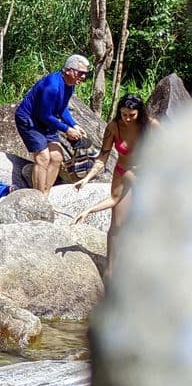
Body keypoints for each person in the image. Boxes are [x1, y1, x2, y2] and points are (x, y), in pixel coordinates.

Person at [73, 93, 150, 265]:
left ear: (140, 113)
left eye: (132, 115)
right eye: (124, 114)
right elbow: (102, 158)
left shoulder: (151, 126)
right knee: (117, 225)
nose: (128, 119)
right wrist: (87, 178)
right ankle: (111, 268)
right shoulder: (114, 127)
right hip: (123, 172)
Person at [15, 55, 90, 195]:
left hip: (46, 120)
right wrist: (67, 129)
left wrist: (73, 124)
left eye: (86, 74)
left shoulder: (70, 85)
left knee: (57, 157)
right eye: (80, 73)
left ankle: (45, 194)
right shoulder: (52, 86)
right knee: (43, 157)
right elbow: (44, 115)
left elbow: (61, 109)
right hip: (30, 120)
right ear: (68, 70)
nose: (83, 77)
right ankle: (38, 198)